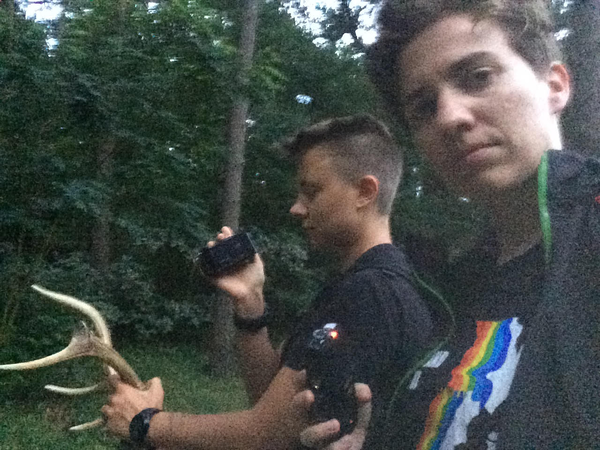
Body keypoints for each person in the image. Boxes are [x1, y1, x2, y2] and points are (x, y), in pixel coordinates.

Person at [297, 0, 600, 448]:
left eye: (478, 77)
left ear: (555, 85)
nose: (449, 117)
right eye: (424, 107)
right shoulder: (445, 290)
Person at [101, 115, 434, 449]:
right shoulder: (365, 285)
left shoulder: (371, 293)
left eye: (312, 192)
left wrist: (146, 423)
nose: (296, 208)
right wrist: (250, 302)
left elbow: (267, 435)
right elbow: (274, 405)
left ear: (365, 192)